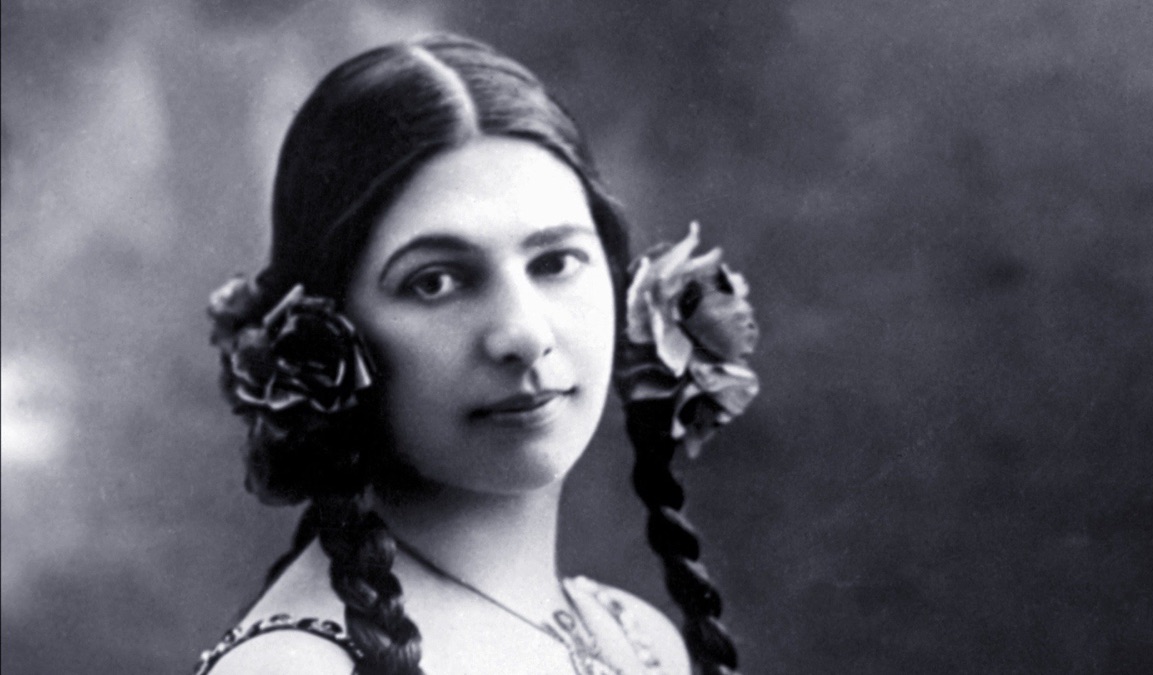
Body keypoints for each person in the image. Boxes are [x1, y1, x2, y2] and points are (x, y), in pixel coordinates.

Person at [195, 33, 758, 675]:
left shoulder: (637, 639)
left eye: (555, 262)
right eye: (435, 281)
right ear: (322, 332)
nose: (523, 334)